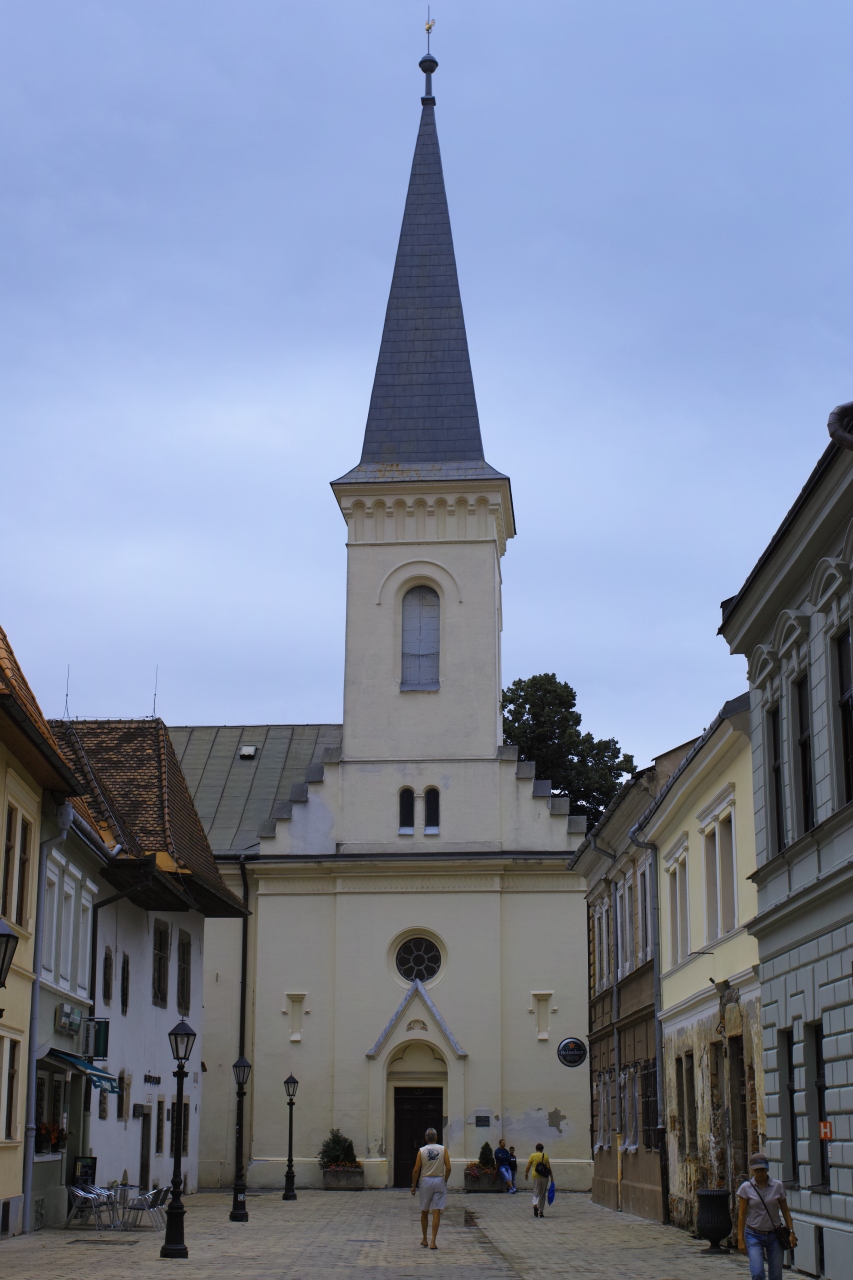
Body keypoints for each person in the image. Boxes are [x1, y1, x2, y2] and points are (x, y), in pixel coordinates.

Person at [737, 1153, 797, 1280]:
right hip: (754, 1234)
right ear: (752, 1170)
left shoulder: (777, 1186)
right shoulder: (746, 1188)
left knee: (775, 1274)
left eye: (762, 1169)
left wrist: (791, 1232)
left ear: (767, 1169)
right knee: (757, 1272)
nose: (760, 1173)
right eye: (757, 1170)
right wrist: (740, 1238)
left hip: (774, 1234)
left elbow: (785, 1211)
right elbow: (742, 1214)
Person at [411, 1127, 451, 1250]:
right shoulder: (443, 1149)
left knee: (424, 1210)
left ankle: (425, 1238)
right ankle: (433, 1241)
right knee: (436, 1210)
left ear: (425, 1138)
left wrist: (413, 1185)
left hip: (426, 1181)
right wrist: (445, 1180)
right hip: (439, 1180)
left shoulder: (421, 1151)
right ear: (437, 1137)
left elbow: (416, 1169)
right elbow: (448, 1167)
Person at [524, 1142, 554, 1217]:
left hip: (535, 1175)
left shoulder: (532, 1155)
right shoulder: (545, 1155)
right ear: (542, 1149)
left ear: (536, 1149)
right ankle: (541, 1211)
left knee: (536, 1191)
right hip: (544, 1176)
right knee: (542, 1193)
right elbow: (549, 1167)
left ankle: (535, 1204)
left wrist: (526, 1174)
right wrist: (552, 1177)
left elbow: (528, 1166)